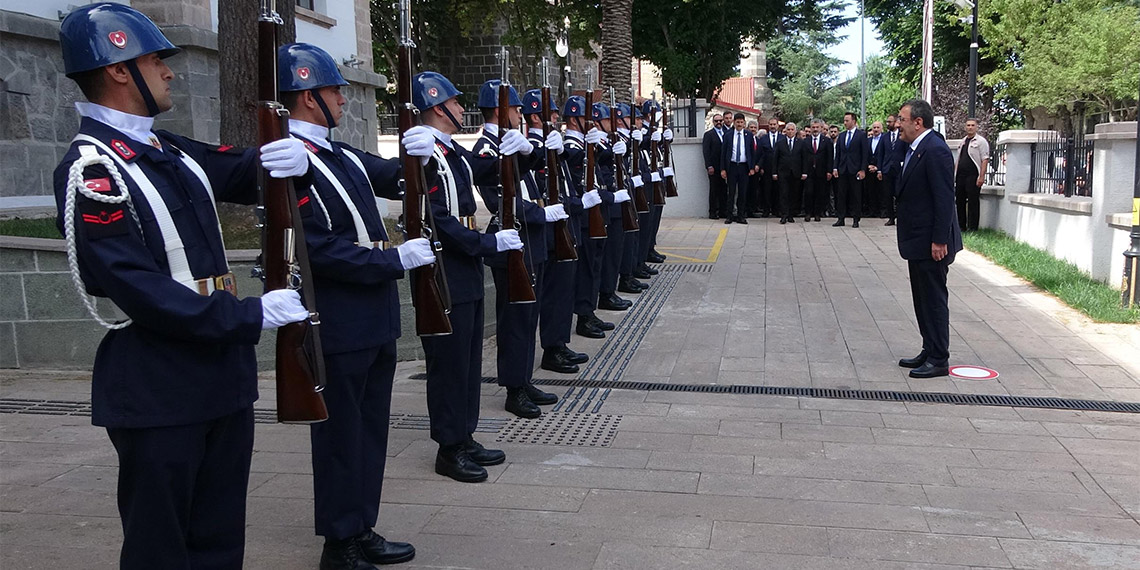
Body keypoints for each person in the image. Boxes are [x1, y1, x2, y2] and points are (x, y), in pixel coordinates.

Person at [53, 5, 311, 568]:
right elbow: (134, 285)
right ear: (119, 69)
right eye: (155, 60)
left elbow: (241, 170)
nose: (169, 72)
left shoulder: (165, 149)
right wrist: (246, 316)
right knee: (161, 547)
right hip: (159, 386)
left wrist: (294, 157)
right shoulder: (92, 169)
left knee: (219, 539)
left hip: (220, 378)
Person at [279, 43, 436, 568]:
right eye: (332, 89)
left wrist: (420, 152)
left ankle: (361, 525)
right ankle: (339, 541)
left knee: (370, 430)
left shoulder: (340, 154)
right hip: (338, 317)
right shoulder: (288, 159)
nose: (343, 98)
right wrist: (392, 262)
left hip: (374, 315)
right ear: (305, 96)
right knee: (341, 434)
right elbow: (317, 248)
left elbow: (396, 178)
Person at [413, 71, 519, 482]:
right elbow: (436, 219)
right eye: (456, 103)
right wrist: (488, 245)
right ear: (438, 106)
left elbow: (489, 174)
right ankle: (448, 446)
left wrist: (519, 150)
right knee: (449, 364)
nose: (462, 108)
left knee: (470, 360)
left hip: (464, 267)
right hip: (443, 269)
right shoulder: (425, 153)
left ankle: (465, 434)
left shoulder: (450, 150)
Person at [470, 79, 563, 419]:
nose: (521, 113)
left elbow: (533, 174)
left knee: (528, 316)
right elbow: (499, 200)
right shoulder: (485, 149)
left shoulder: (514, 142)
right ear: (498, 110)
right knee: (513, 320)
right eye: (515, 108)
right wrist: (540, 213)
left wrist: (531, 149)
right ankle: (513, 388)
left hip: (530, 238)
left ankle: (523, 380)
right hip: (511, 240)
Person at [519, 89, 590, 374]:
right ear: (536, 116)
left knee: (562, 290)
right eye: (552, 113)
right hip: (549, 229)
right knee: (552, 293)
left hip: (563, 222)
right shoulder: (531, 148)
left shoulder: (553, 144)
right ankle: (551, 348)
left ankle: (558, 343)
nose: (557, 118)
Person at [895, 99, 963, 379]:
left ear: (918, 122)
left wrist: (939, 240)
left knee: (933, 300)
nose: (898, 124)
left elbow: (944, 198)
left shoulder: (934, 149)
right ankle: (929, 347)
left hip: (931, 243)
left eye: (902, 119)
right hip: (917, 241)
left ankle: (939, 358)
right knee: (921, 299)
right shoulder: (916, 147)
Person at [719, 112, 758, 224]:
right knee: (731, 192)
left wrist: (751, 167)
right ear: (734, 122)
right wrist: (723, 169)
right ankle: (729, 215)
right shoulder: (728, 135)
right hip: (731, 166)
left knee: (742, 192)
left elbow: (752, 152)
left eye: (741, 122)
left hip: (744, 167)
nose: (739, 124)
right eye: (737, 122)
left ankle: (741, 215)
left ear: (744, 123)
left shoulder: (748, 135)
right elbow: (723, 153)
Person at [833, 112, 869, 228]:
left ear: (853, 121)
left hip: (855, 170)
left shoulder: (861, 135)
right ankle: (841, 218)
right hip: (843, 169)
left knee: (856, 195)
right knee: (841, 195)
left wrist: (863, 169)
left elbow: (865, 154)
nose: (845, 123)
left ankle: (855, 219)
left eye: (847, 120)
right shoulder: (842, 136)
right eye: (844, 120)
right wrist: (835, 167)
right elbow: (838, 154)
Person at [955, 118, 990, 231]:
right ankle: (961, 226)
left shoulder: (981, 141)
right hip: (961, 176)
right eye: (968, 125)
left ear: (976, 127)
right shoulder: (963, 141)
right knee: (960, 200)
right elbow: (958, 158)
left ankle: (973, 227)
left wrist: (981, 176)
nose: (970, 127)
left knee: (973, 201)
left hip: (973, 175)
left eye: (972, 125)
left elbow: (985, 159)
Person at [775, 121, 808, 224]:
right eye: (788, 129)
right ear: (785, 131)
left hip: (796, 173)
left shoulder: (801, 143)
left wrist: (804, 172)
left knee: (794, 194)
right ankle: (784, 215)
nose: (790, 131)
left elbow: (804, 159)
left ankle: (791, 214)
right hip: (783, 173)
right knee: (784, 194)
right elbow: (775, 159)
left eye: (792, 129)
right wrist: (774, 172)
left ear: (795, 131)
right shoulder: (780, 143)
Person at [803, 119, 833, 222]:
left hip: (822, 171)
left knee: (820, 193)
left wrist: (829, 171)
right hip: (809, 171)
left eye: (817, 127)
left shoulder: (827, 141)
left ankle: (817, 213)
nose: (815, 129)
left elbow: (829, 157)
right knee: (809, 192)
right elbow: (803, 157)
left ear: (821, 128)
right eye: (813, 127)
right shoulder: (805, 141)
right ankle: (808, 213)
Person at [701, 113, 728, 219]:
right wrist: (709, 166)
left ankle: (723, 211)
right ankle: (713, 212)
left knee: (724, 190)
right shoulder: (709, 134)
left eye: (720, 120)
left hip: (725, 167)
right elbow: (706, 151)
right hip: (714, 167)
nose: (719, 123)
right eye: (716, 121)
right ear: (713, 122)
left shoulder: (727, 133)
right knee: (714, 190)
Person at [757, 117, 782, 217]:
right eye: (771, 124)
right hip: (766, 168)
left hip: (780, 168)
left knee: (778, 190)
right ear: (768, 125)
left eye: (774, 124)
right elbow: (760, 154)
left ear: (777, 125)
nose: (772, 126)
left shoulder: (782, 138)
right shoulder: (763, 138)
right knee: (766, 190)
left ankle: (777, 210)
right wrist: (761, 166)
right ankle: (766, 210)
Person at [883, 114, 902, 225]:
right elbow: (882, 153)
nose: (887, 124)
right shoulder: (885, 137)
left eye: (889, 122)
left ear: (896, 122)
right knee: (888, 194)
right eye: (887, 122)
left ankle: (899, 216)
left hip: (898, 169)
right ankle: (890, 217)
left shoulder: (902, 135)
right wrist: (881, 169)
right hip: (887, 169)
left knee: (898, 194)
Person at [865, 121, 886, 219]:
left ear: (881, 129)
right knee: (870, 191)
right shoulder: (868, 141)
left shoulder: (884, 139)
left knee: (881, 191)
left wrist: (878, 167)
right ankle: (871, 211)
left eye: (878, 127)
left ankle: (882, 211)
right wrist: (868, 165)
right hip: (869, 170)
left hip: (880, 169)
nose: (876, 129)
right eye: (874, 128)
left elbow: (886, 155)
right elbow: (865, 155)